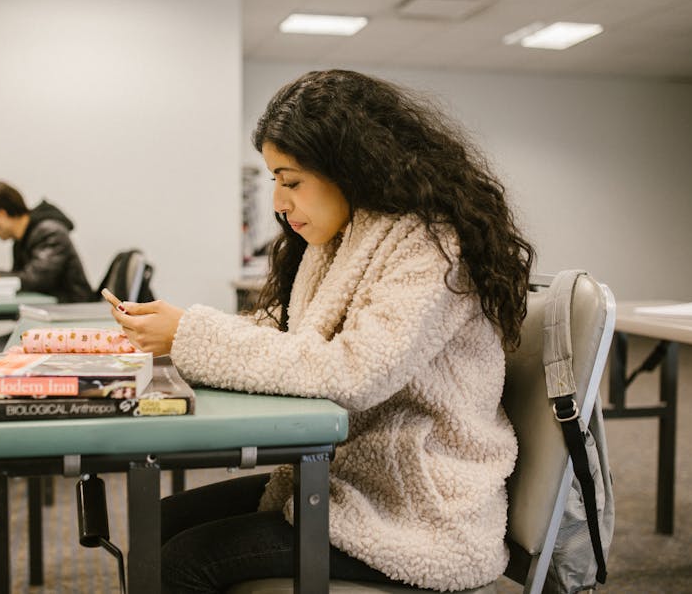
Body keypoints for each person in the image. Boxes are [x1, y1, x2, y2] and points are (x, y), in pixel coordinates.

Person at [111, 69, 535, 592]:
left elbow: (357, 370)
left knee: (181, 561)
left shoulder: (431, 244)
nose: (278, 204)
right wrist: (174, 336)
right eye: (274, 183)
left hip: (420, 509)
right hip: (354, 479)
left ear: (352, 168)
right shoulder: (337, 242)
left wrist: (192, 336)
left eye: (291, 181)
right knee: (160, 521)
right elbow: (292, 334)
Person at [0, 181, 93, 303]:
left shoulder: (50, 232)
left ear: (1, 216)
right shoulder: (21, 239)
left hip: (71, 315)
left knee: (12, 333)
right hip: (49, 314)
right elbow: (21, 278)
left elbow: (34, 280)